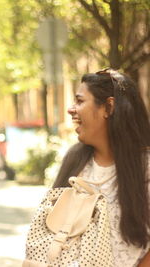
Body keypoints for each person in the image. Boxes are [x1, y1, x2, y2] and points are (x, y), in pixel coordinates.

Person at [52, 68, 150, 266]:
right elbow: (51, 229)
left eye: (80, 101)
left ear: (109, 107)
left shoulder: (145, 167)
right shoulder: (74, 160)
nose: (71, 110)